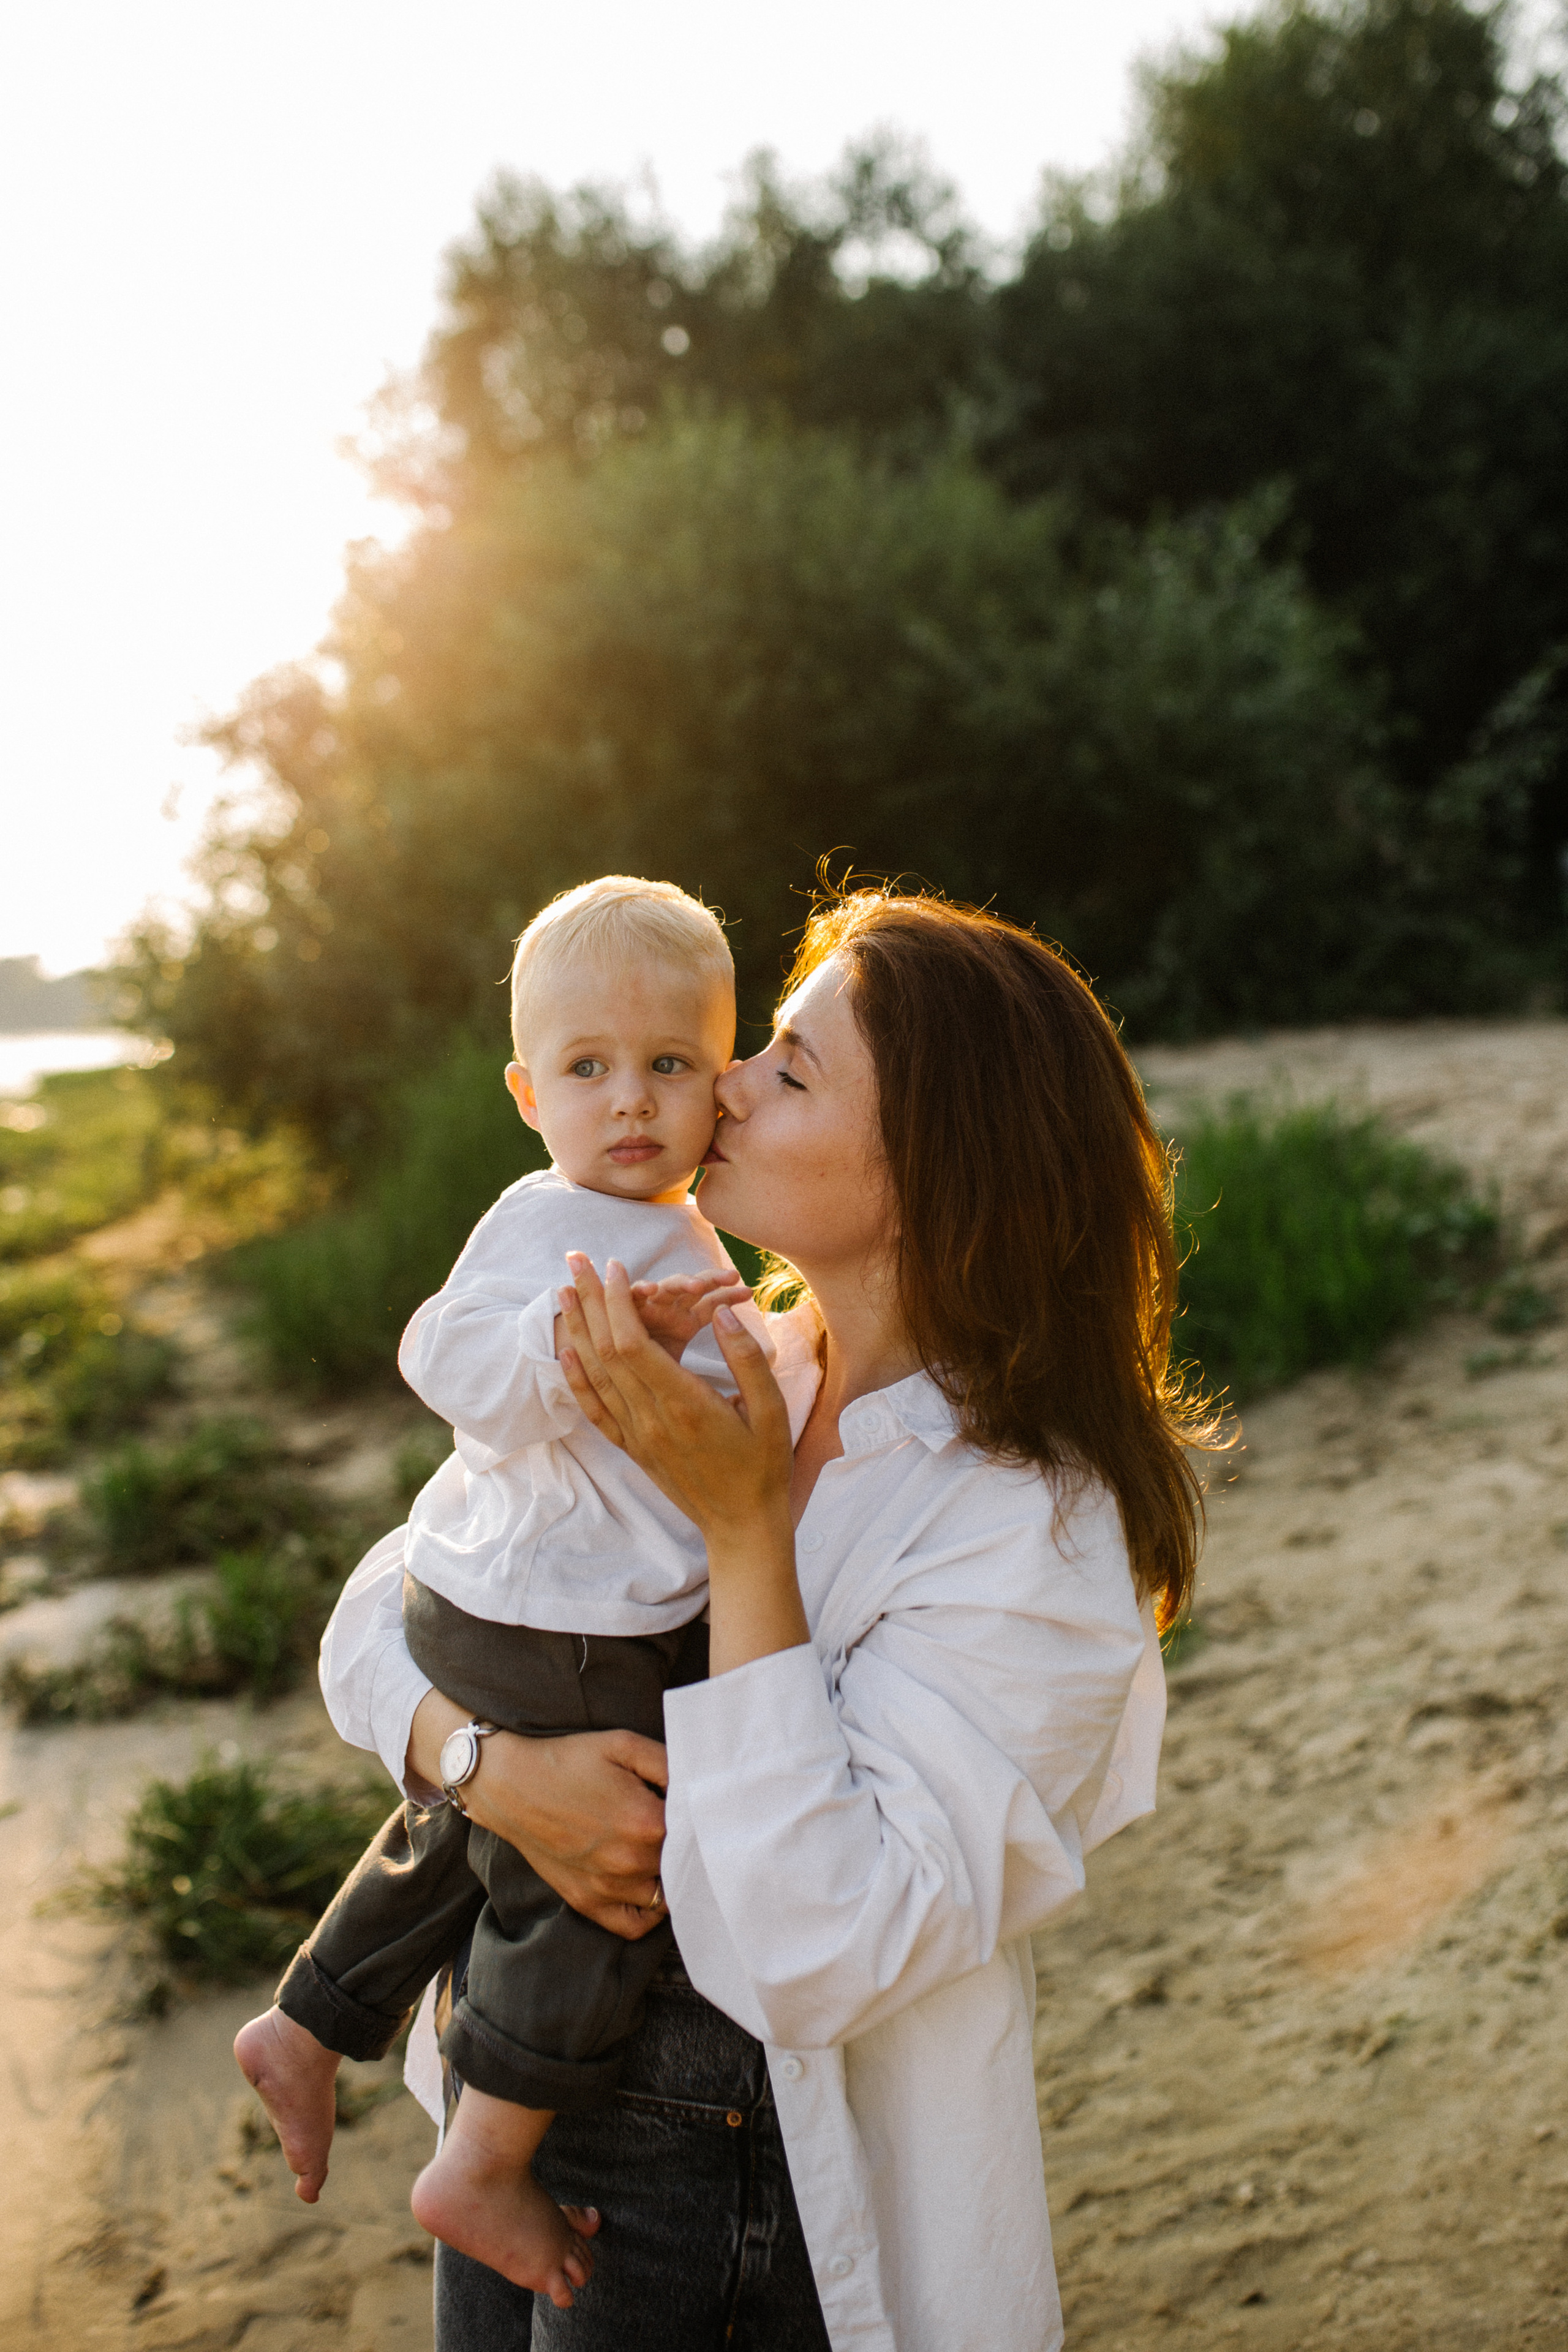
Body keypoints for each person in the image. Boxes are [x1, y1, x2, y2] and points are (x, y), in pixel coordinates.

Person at [319, 889, 1217, 2352]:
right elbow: (393, 1598)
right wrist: (486, 1765)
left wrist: (745, 1533)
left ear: (935, 1167)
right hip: (509, 2106)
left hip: (759, 2186)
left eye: (786, 1070)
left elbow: (815, 1955)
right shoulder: (745, 1356)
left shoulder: (1033, 1530)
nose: (718, 1082)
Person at [234, 875, 818, 2309]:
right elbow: (446, 1363)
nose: (631, 1102)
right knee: (592, 1878)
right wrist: (585, 1351)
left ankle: (314, 2017)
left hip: (501, 1616)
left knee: (470, 1836)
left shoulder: (677, 1241)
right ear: (524, 1092)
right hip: (553, 1624)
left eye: (669, 1065)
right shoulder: (553, 1224)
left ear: (721, 1077)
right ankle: (487, 2156)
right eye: (587, 1069)